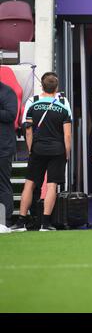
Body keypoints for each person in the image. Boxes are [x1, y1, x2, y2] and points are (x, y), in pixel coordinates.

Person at [10, 72, 72, 232]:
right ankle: (45, 223)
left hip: (37, 149)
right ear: (56, 87)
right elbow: (67, 134)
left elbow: (28, 130)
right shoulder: (63, 104)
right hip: (57, 150)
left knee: (29, 184)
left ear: (41, 86)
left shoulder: (33, 103)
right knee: (52, 185)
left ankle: (21, 221)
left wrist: (31, 149)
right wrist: (67, 153)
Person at [0, 73, 18, 233]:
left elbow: (11, 115)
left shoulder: (7, 92)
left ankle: (5, 221)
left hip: (3, 148)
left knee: (3, 183)